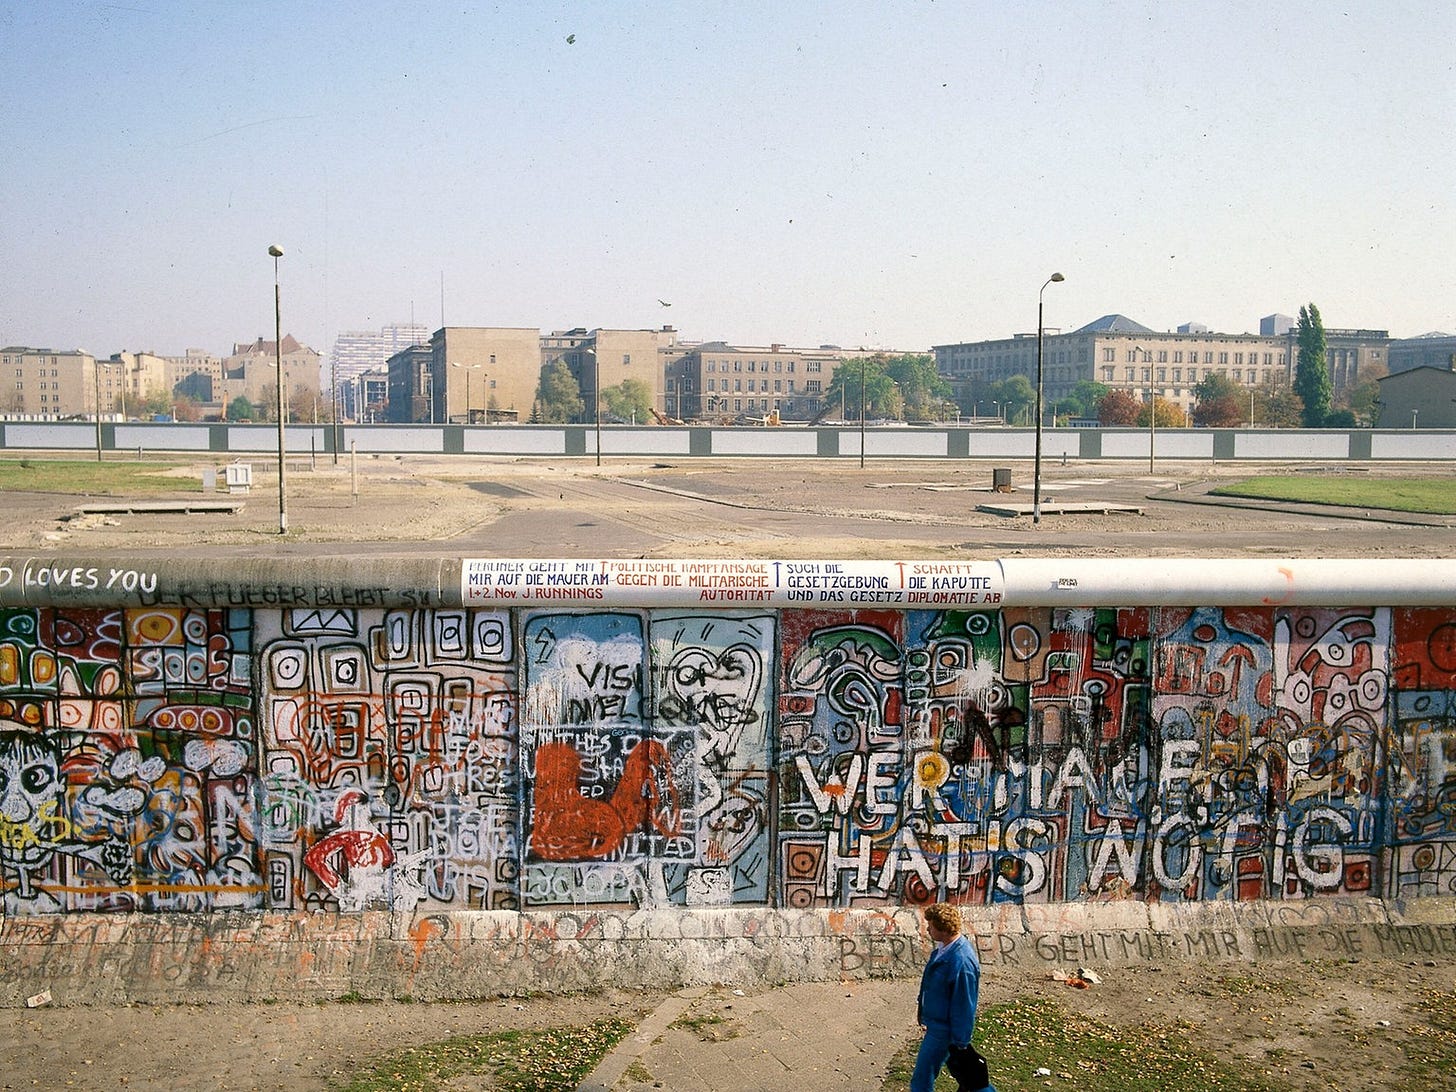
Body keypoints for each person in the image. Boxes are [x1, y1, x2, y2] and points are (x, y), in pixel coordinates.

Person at [912, 902, 993, 1092]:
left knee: (922, 1078)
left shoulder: (961, 961)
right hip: (938, 1025)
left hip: (944, 1031)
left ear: (943, 928)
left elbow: (965, 1004)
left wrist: (961, 1041)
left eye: (931, 925)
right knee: (969, 1077)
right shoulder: (945, 949)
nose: (928, 929)